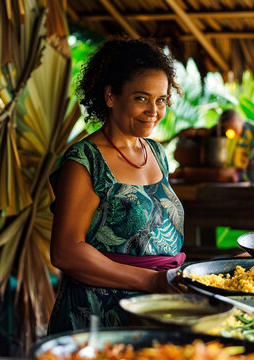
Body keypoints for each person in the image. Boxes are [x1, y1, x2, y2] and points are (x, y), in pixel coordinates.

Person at [47, 37, 185, 335]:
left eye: (160, 99)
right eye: (141, 98)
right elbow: (66, 252)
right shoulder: (85, 161)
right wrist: (152, 281)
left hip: (157, 309)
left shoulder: (156, 153)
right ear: (110, 96)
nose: (154, 110)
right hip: (98, 314)